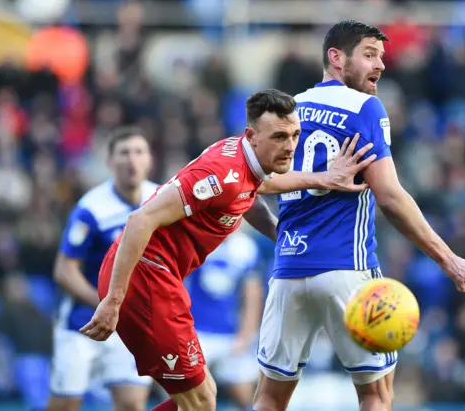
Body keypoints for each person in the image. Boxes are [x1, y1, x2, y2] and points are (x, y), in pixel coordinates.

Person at [79, 89, 376, 411]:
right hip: (145, 279)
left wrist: (322, 182)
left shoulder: (243, 164)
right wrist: (113, 301)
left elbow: (254, 191)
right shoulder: (221, 174)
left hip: (156, 279)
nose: (290, 146)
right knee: (202, 400)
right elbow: (139, 220)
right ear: (252, 136)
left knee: (199, 393)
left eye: (294, 135)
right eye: (279, 137)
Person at [252, 20, 465, 411]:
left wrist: (282, 236)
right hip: (348, 268)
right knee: (375, 396)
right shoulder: (365, 107)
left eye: (382, 56)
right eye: (369, 55)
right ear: (336, 58)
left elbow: (245, 187)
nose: (380, 65)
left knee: (270, 399)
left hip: (288, 272)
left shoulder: (287, 109)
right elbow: (390, 198)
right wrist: (449, 258)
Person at [47, 127, 155, 411]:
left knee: (132, 404)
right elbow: (64, 270)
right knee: (65, 405)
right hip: (83, 322)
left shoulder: (161, 199)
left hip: (131, 324)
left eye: (138, 152)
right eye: (124, 153)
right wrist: (106, 305)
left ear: (149, 160)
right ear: (110, 163)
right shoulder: (91, 208)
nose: (132, 160)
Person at [185, 227, 262, 410]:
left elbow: (252, 296)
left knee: (244, 393)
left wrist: (245, 336)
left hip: (230, 333)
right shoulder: (196, 241)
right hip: (197, 332)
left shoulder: (246, 248)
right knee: (188, 394)